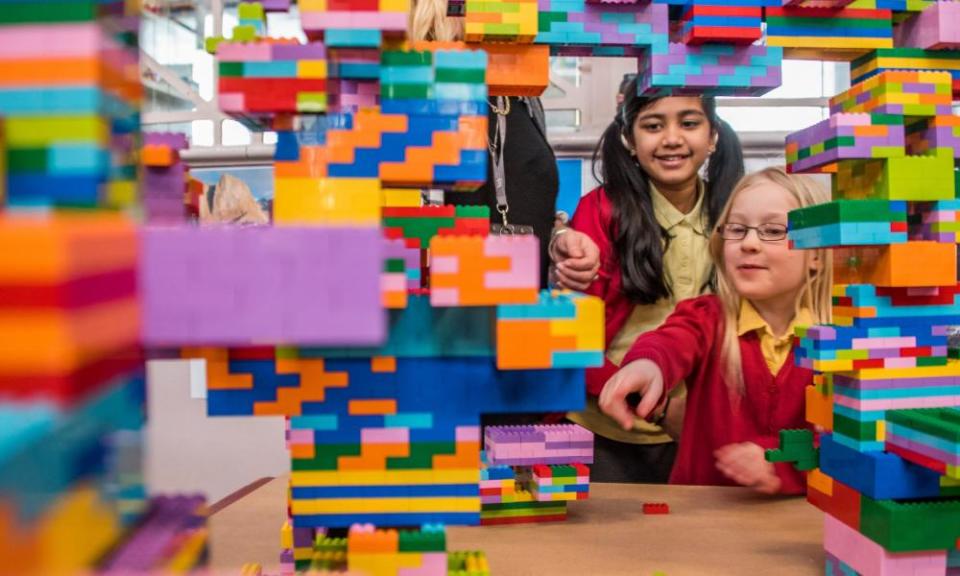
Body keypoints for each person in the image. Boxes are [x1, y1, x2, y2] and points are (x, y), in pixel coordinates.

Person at [549, 78, 744, 482]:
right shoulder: (602, 211)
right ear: (628, 139)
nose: (671, 139)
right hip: (605, 430)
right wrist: (653, 405)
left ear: (713, 136)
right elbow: (568, 337)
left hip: (702, 434)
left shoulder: (735, 213)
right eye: (653, 126)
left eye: (689, 123)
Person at [598, 167, 831, 494]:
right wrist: (647, 365)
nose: (749, 243)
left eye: (774, 230)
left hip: (796, 529)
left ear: (818, 254)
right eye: (737, 229)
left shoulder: (842, 343)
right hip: (700, 522)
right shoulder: (707, 318)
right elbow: (670, 342)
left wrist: (780, 465)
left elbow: (843, 447)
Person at [410, 0, 559, 287]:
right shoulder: (420, 88)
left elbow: (528, 199)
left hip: (519, 308)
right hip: (447, 312)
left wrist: (560, 234)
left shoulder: (521, 96)